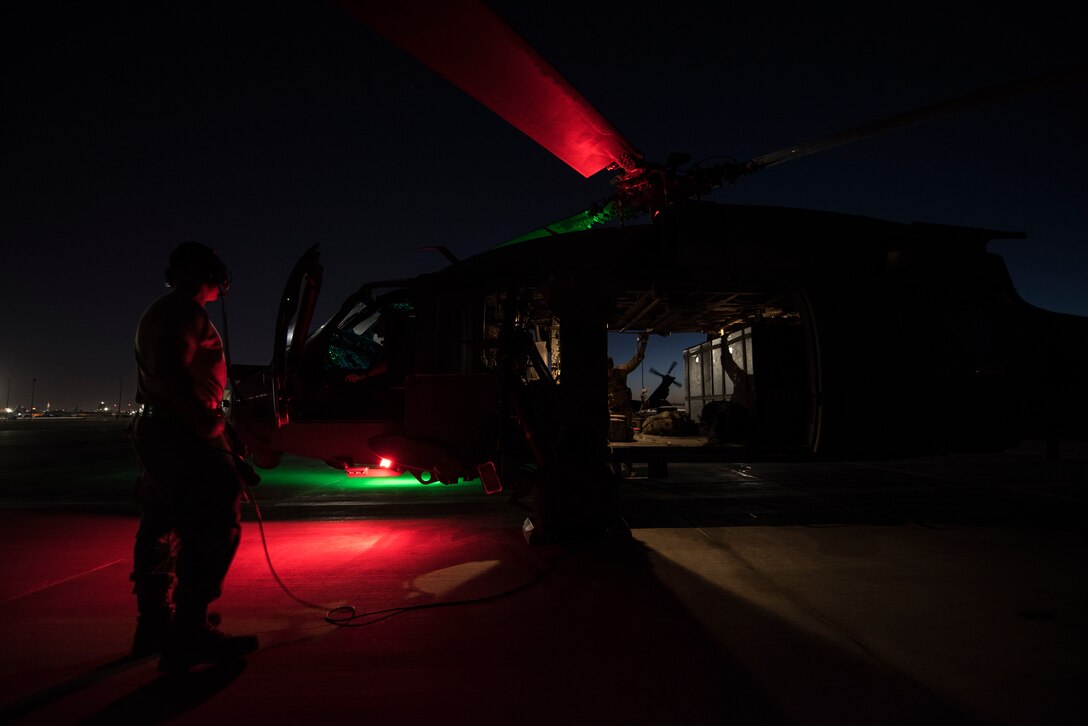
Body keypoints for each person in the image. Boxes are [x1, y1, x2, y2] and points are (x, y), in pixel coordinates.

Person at [129, 241, 258, 671]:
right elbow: (171, 367)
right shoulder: (183, 312)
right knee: (214, 523)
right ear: (211, 274)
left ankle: (155, 623)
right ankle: (190, 632)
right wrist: (205, 424)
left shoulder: (164, 309)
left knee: (161, 522)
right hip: (182, 432)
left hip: (162, 430)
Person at [607, 332, 649, 440]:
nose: (609, 373)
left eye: (610, 370)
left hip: (624, 411)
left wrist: (643, 344)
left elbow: (636, 361)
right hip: (610, 412)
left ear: (612, 368)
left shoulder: (621, 371)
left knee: (625, 435)